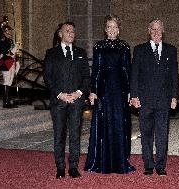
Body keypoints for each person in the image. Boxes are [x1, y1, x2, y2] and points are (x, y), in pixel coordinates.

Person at [84, 14, 135, 174]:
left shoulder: (125, 46)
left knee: (120, 123)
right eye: (109, 27)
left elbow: (128, 69)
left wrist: (130, 91)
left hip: (120, 91)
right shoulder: (99, 46)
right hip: (104, 91)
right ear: (105, 29)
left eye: (115, 27)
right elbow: (97, 70)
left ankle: (120, 161)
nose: (112, 30)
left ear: (118, 30)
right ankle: (102, 161)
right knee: (104, 123)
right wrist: (93, 91)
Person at [130, 18, 179, 176]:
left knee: (162, 135)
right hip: (144, 100)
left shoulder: (171, 50)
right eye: (153, 29)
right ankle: (148, 166)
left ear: (163, 30)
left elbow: (174, 75)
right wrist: (134, 95)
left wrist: (174, 96)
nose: (156, 32)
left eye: (159, 29)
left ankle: (161, 166)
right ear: (149, 31)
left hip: (164, 101)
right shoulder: (139, 50)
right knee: (146, 135)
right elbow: (134, 74)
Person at [44, 21, 90, 179]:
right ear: (60, 34)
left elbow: (86, 77)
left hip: (76, 101)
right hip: (59, 101)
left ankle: (73, 167)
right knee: (59, 135)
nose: (71, 33)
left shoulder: (81, 52)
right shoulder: (51, 53)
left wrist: (78, 93)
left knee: (75, 135)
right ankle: (60, 168)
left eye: (73, 31)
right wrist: (60, 94)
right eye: (67, 30)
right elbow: (48, 78)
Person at [0, 16, 20, 108]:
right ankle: (5, 101)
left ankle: (8, 99)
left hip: (11, 62)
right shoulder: (3, 41)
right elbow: (7, 53)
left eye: (10, 31)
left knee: (10, 81)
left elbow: (14, 54)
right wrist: (15, 48)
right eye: (7, 31)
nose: (9, 33)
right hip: (5, 63)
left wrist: (17, 62)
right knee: (6, 80)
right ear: (3, 32)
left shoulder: (11, 41)